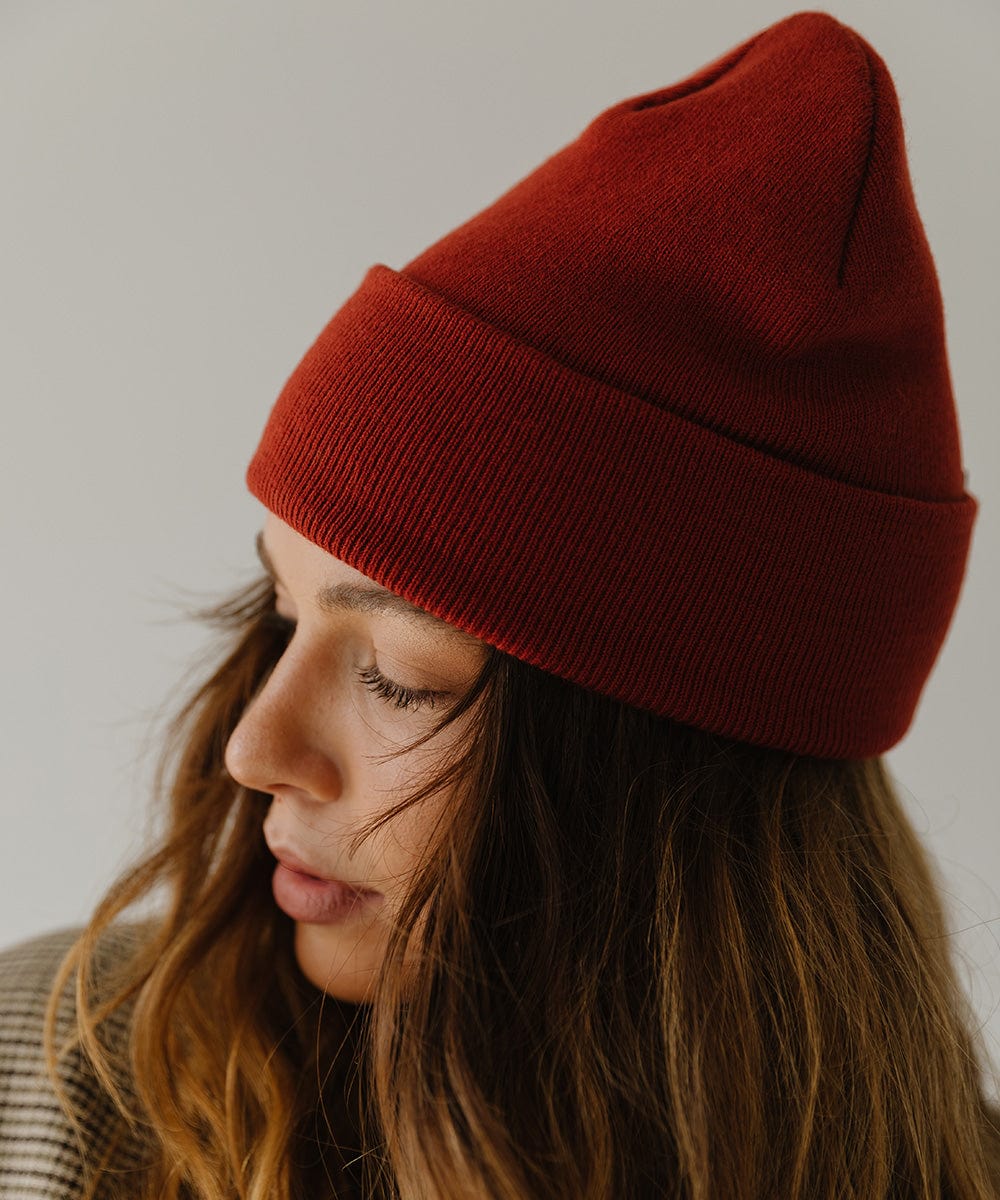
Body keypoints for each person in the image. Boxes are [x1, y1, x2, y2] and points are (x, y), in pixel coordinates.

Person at [1, 9, 998, 1199]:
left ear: (669, 787)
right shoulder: (59, 1091)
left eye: (396, 674)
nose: (255, 747)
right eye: (282, 615)